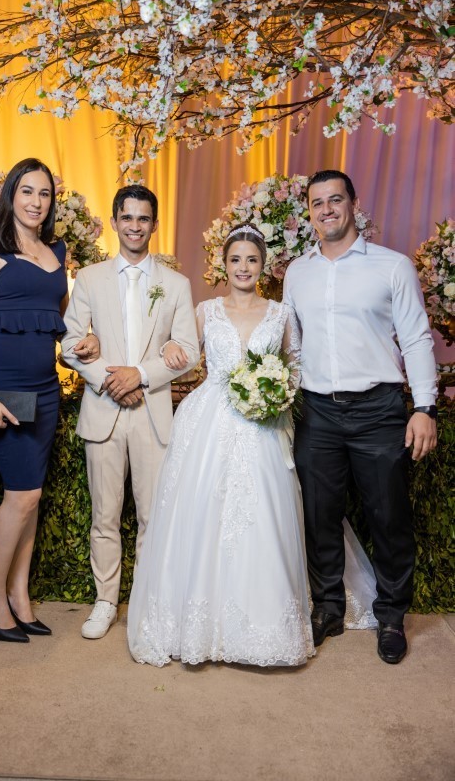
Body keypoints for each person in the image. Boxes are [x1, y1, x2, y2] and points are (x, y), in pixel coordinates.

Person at [127, 224, 317, 667]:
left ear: (263, 265)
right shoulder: (205, 311)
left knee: (261, 515)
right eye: (235, 260)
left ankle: (260, 628)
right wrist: (166, 350)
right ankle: (196, 624)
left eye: (252, 260)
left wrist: (278, 393)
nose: (243, 267)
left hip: (262, 424)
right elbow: (182, 354)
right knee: (201, 514)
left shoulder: (280, 314)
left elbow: (295, 364)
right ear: (223, 265)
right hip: (208, 420)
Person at [284, 169, 438, 664]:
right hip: (317, 411)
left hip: (379, 409)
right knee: (318, 516)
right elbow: (292, 344)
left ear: (353, 204)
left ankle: (391, 615)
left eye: (335, 199)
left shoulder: (392, 266)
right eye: (317, 203)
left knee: (389, 516)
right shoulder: (297, 272)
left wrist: (424, 407)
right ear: (309, 212)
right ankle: (328, 607)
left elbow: (416, 338)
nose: (326, 209)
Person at [0, 157, 98, 643]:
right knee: (20, 496)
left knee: (32, 497)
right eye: (27, 191)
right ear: (11, 195)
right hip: (5, 387)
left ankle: (19, 596)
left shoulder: (56, 251)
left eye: (44, 193)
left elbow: (60, 321)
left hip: (45, 388)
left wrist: (85, 341)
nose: (36, 201)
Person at [61, 184, 200, 641]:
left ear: (154, 225)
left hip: (153, 414)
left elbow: (189, 352)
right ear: (115, 221)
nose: (135, 226)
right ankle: (105, 601)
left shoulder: (175, 284)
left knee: (153, 517)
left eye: (143, 219)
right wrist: (109, 379)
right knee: (105, 516)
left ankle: (146, 601)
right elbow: (70, 344)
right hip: (104, 409)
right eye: (127, 217)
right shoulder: (90, 278)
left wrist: (138, 375)